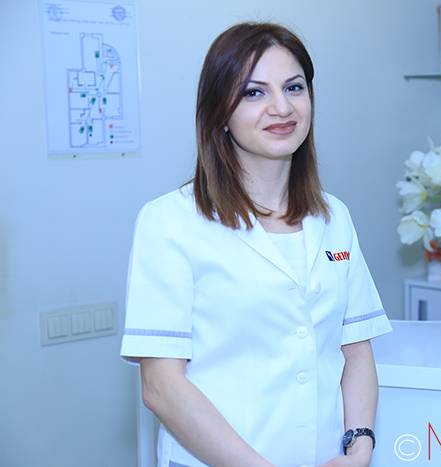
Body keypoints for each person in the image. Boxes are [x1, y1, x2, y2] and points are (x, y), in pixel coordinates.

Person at [120, 22, 392, 467]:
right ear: (219, 112)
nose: (281, 107)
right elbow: (161, 387)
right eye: (253, 92)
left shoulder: (333, 216)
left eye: (294, 87)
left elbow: (356, 349)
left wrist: (359, 447)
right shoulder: (170, 222)